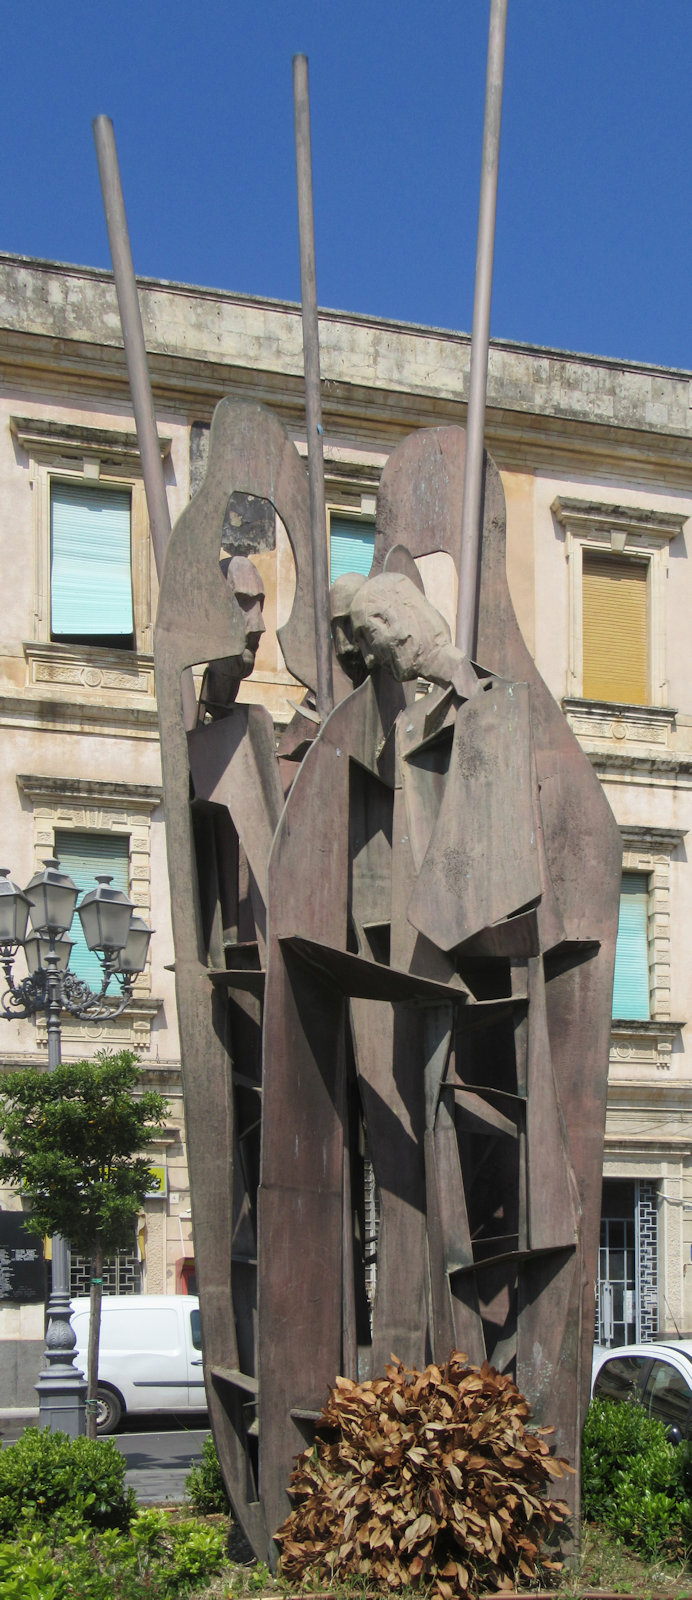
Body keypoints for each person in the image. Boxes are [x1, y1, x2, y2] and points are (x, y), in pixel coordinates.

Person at [198, 555, 266, 719]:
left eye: (259, 607)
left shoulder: (254, 725)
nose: (258, 628)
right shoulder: (182, 715)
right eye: (242, 603)